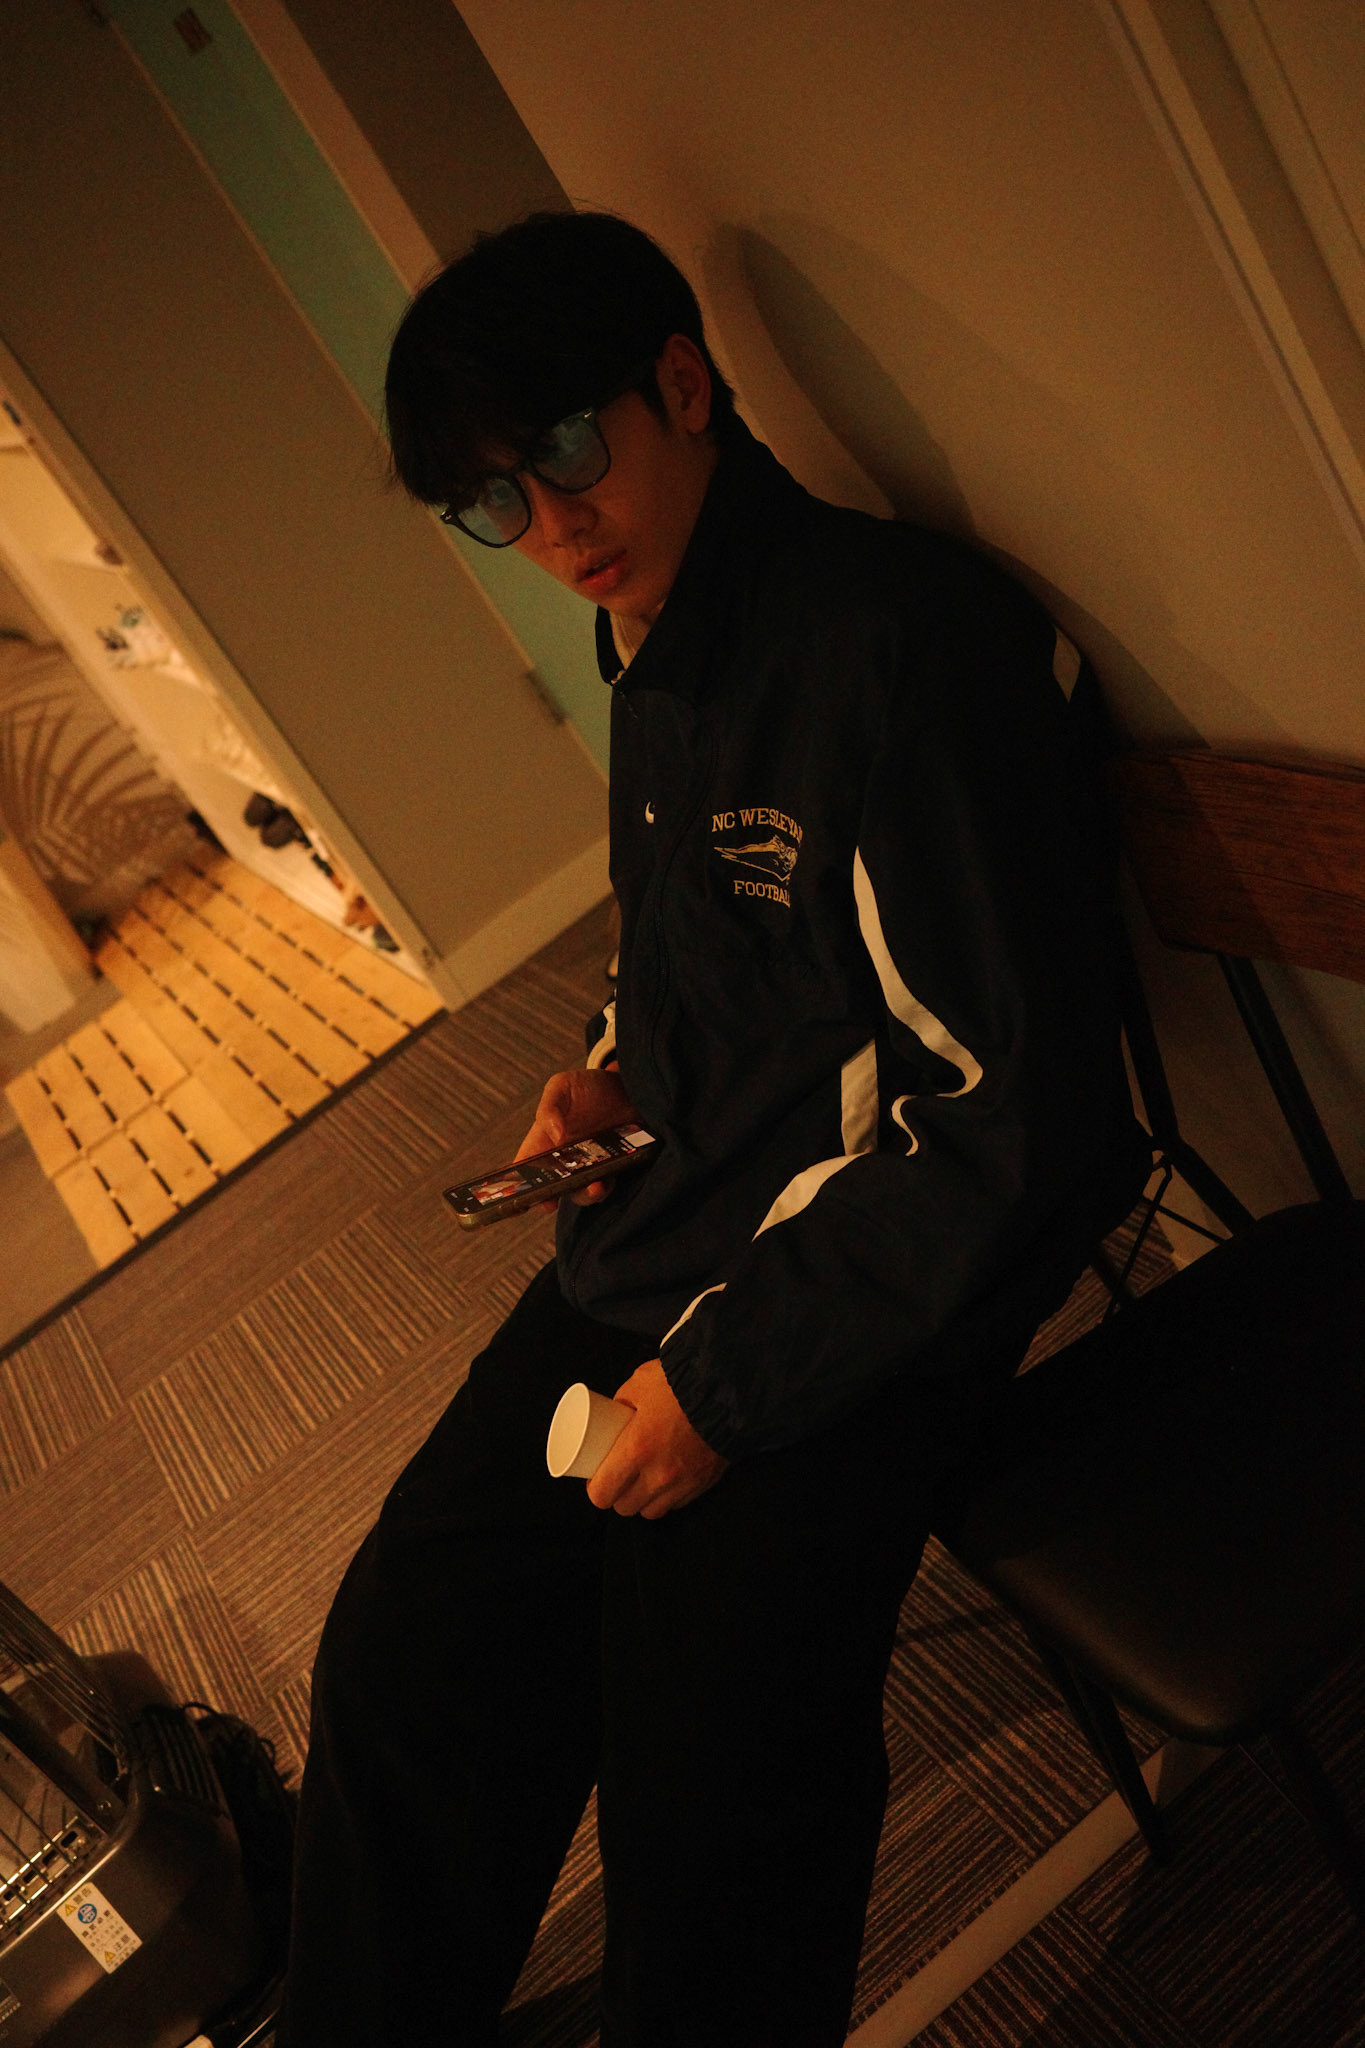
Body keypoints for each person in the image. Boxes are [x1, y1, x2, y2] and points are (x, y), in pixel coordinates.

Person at [276, 211, 1149, 2048]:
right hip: (673, 1223)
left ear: (680, 383)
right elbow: (693, 950)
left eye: (564, 450)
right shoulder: (653, 647)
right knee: (403, 1654)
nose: (551, 522)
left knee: (705, 1767)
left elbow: (1018, 1114)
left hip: (879, 1268)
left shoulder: (896, 647)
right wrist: (612, 1064)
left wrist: (725, 1389)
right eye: (495, 500)